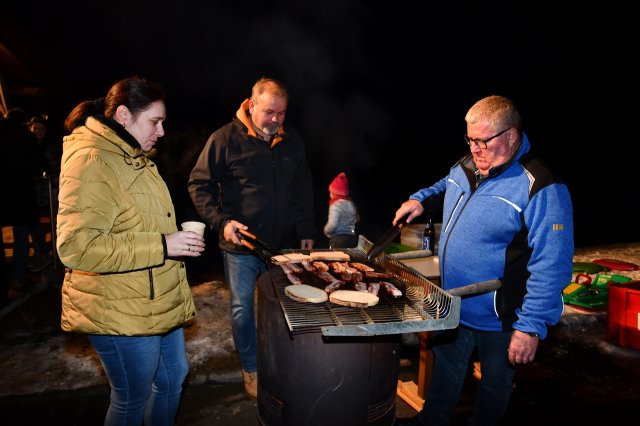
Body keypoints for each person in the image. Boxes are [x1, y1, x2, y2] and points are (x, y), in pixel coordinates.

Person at [394, 95, 574, 426]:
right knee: (446, 368)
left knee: (494, 385)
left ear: (511, 136)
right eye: (470, 139)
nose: (475, 149)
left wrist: (530, 327)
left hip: (502, 316)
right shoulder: (468, 165)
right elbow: (445, 185)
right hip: (454, 303)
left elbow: (553, 264)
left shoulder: (541, 187)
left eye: (483, 142)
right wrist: (420, 200)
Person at [56, 76, 204, 425]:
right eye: (155, 121)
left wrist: (174, 242)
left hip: (153, 299)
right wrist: (162, 244)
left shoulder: (135, 158)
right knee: (131, 396)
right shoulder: (92, 160)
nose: (162, 131)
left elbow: (135, 224)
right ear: (123, 115)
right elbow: (77, 246)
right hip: (117, 306)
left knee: (171, 378)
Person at [188, 77, 315, 399]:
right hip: (241, 246)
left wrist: (306, 232)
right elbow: (198, 184)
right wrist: (221, 221)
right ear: (251, 105)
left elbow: (302, 190)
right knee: (243, 309)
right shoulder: (225, 139)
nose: (276, 119)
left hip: (280, 247)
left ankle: (281, 364)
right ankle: (251, 369)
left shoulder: (292, 142)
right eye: (270, 112)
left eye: (282, 113)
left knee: (284, 308)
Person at [0, 107, 48, 294]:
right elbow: (40, 163)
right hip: (20, 195)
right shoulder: (25, 137)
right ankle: (17, 277)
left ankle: (3, 281)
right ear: (23, 122)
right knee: (21, 238)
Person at [323, 172, 359, 248]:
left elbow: (333, 224)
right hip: (351, 239)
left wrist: (326, 230)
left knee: (336, 259)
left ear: (333, 193)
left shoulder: (335, 205)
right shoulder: (350, 203)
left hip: (338, 239)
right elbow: (355, 219)